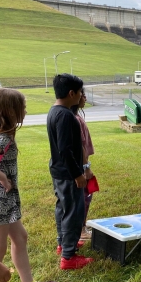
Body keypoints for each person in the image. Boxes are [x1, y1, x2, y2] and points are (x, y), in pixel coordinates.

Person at [0, 88, 57, 282]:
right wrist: (1, 177)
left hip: (5, 199)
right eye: (22, 107)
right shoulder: (2, 137)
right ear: (10, 110)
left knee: (20, 237)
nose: (25, 111)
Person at [47, 74, 94, 270]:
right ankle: (68, 256)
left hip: (58, 170)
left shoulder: (54, 111)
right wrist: (78, 174)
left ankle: (63, 244)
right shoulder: (66, 116)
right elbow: (66, 149)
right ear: (71, 93)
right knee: (74, 211)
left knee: (63, 207)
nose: (82, 96)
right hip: (68, 173)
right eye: (80, 92)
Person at [70, 88, 94, 241]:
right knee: (83, 199)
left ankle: (81, 227)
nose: (84, 97)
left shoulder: (76, 116)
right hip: (80, 167)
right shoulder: (75, 119)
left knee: (84, 198)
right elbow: (80, 146)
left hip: (80, 165)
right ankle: (80, 230)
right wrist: (86, 168)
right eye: (82, 94)